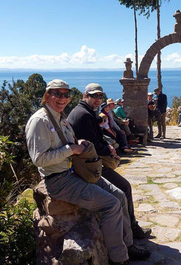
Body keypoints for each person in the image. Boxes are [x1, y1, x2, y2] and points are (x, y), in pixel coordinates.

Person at [26, 79, 149, 265]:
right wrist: (71, 149)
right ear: (47, 95)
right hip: (59, 180)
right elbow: (39, 159)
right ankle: (119, 258)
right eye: (57, 93)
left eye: (66, 94)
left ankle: (128, 245)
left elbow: (68, 142)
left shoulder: (60, 116)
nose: (62, 98)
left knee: (120, 195)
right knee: (111, 204)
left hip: (76, 172)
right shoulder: (40, 121)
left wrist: (79, 143)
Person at [67, 83, 151, 241]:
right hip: (89, 166)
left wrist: (107, 146)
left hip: (89, 163)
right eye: (94, 96)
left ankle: (132, 228)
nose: (98, 99)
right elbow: (91, 145)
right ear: (85, 96)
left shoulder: (85, 112)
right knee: (124, 188)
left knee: (123, 188)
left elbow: (95, 139)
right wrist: (110, 151)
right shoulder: (84, 115)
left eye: (100, 96)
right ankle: (132, 231)